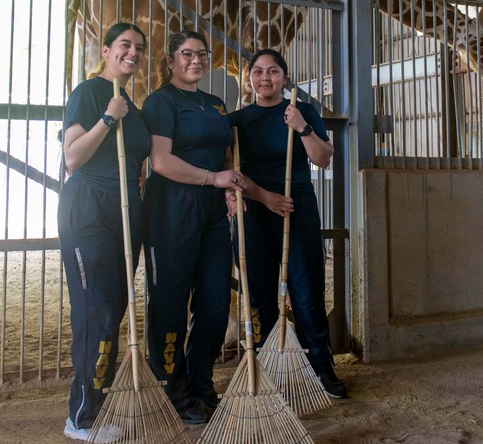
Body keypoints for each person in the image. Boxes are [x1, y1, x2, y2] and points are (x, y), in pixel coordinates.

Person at [229, 48, 348, 399]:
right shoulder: (237, 120)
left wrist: (303, 127)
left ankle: (322, 371)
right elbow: (233, 173)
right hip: (255, 210)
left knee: (307, 291)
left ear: (284, 76)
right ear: (249, 78)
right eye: (258, 71)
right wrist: (265, 197)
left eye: (274, 71)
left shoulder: (302, 110)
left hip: (297, 207)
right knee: (262, 296)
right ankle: (269, 370)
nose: (265, 77)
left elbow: (324, 158)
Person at [141, 30, 246, 423]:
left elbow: (225, 153)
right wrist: (213, 179)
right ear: (170, 61)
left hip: (213, 213)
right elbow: (162, 162)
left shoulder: (216, 104)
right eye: (187, 54)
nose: (196, 60)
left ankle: (202, 384)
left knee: (216, 303)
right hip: (171, 208)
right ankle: (174, 391)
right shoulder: (161, 101)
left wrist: (229, 184)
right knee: (169, 303)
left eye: (202, 54)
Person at [56, 23, 150, 442]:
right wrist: (108, 120)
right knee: (95, 308)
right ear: (107, 49)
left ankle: (96, 404)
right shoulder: (91, 92)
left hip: (126, 211)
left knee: (113, 307)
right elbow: (73, 157)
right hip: (88, 208)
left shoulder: (130, 100)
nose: (133, 53)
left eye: (139, 48)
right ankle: (80, 417)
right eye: (125, 45)